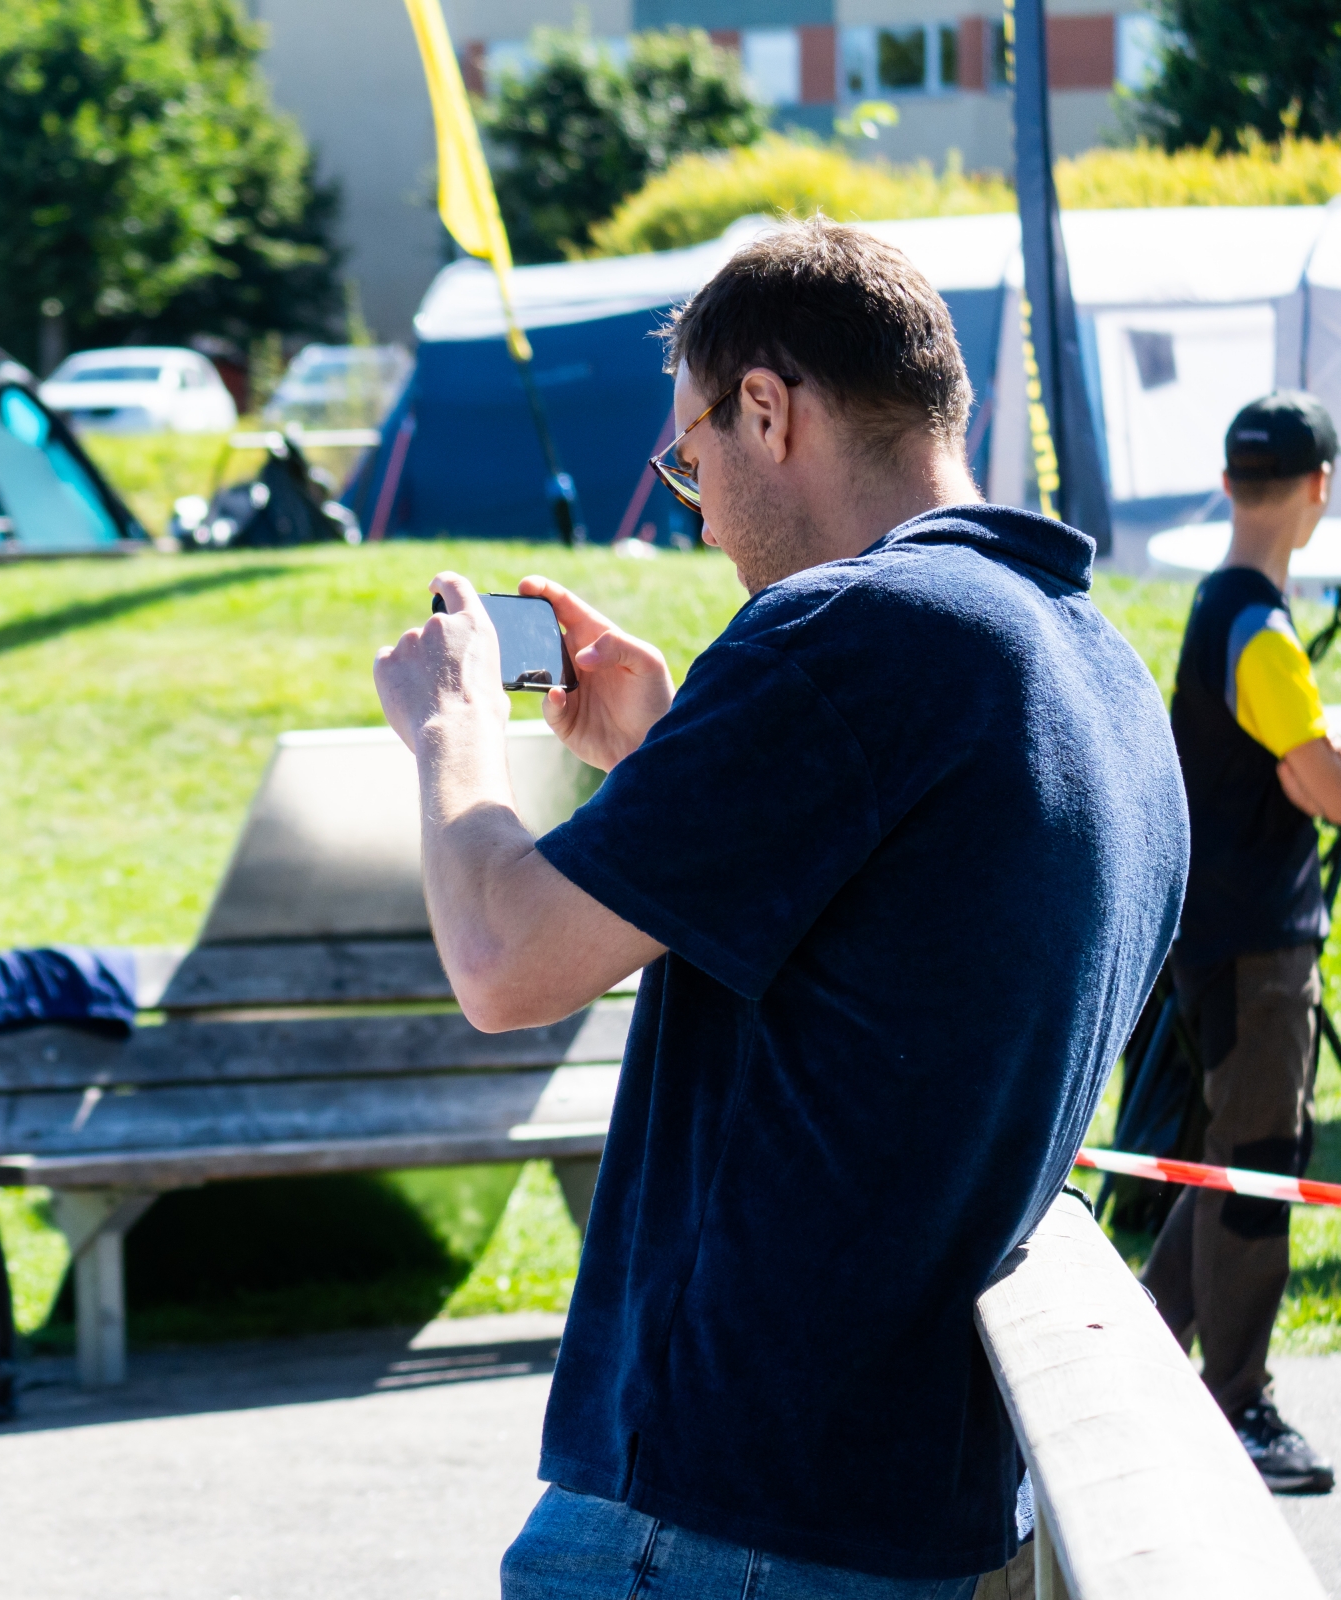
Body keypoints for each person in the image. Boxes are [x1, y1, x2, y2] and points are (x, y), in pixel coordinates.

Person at [372, 219, 1186, 1596]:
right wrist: (666, 754)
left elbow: (503, 962)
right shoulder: (1094, 666)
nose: (696, 509)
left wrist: (453, 730)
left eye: (690, 460)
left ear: (766, 407)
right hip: (899, 1502)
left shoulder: (852, 630)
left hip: (723, 1511)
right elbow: (887, 963)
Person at [1141, 392, 1341, 1494]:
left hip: (1218, 930)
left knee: (1226, 1156)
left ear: (1228, 484)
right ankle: (1240, 1405)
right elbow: (1320, 783)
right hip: (1258, 943)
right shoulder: (1260, 626)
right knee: (1262, 1165)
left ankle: (1141, 1363)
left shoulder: (1223, 611)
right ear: (1319, 488)